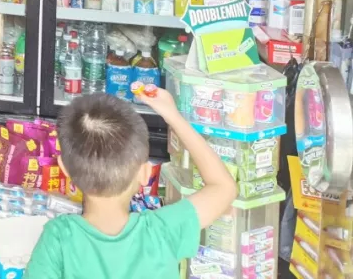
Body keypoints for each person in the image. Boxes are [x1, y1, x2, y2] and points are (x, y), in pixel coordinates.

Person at [22, 89, 237, 279]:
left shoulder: (58, 239)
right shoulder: (163, 231)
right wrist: (173, 116)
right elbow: (223, 186)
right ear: (146, 173)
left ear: (65, 169)